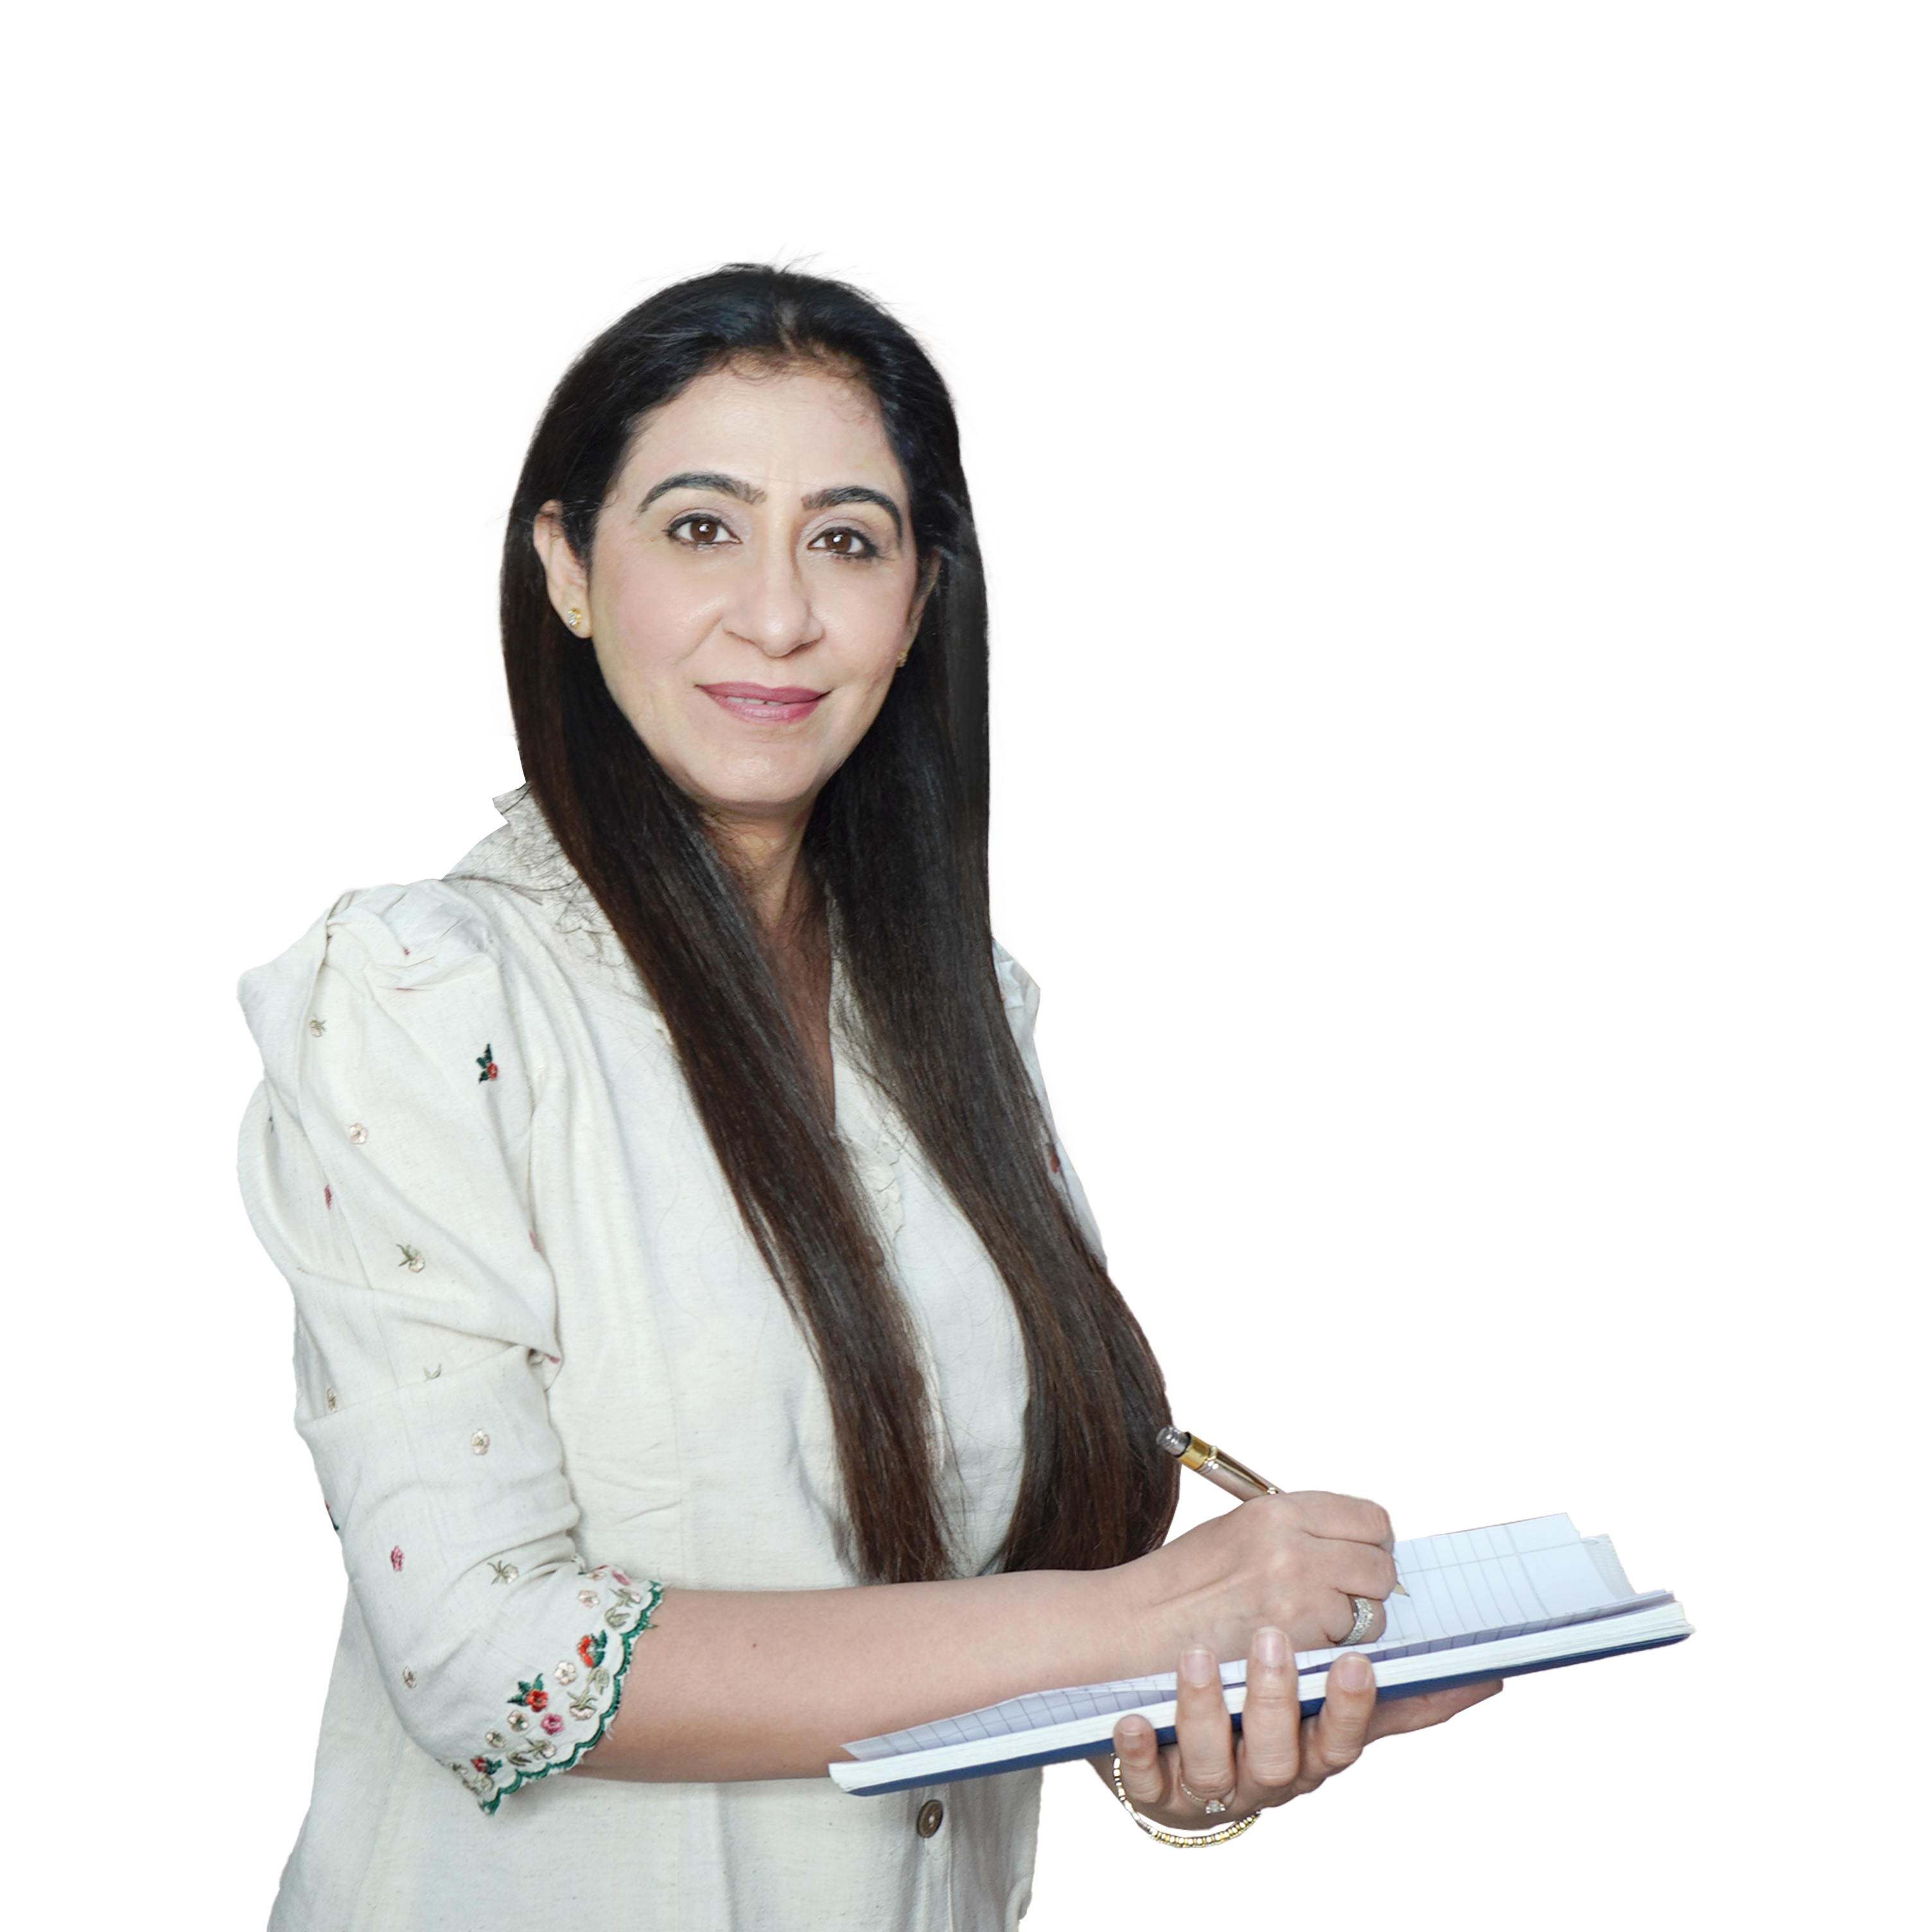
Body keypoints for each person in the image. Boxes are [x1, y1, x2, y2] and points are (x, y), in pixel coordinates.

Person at [236, 252, 1498, 1932]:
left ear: (916, 602)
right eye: (701, 528)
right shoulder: (415, 1004)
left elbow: (1051, 1523)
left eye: (846, 541)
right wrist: (1141, 1624)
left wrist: (1208, 1703)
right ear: (567, 567)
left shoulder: (960, 1004)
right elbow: (496, 1665)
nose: (778, 615)